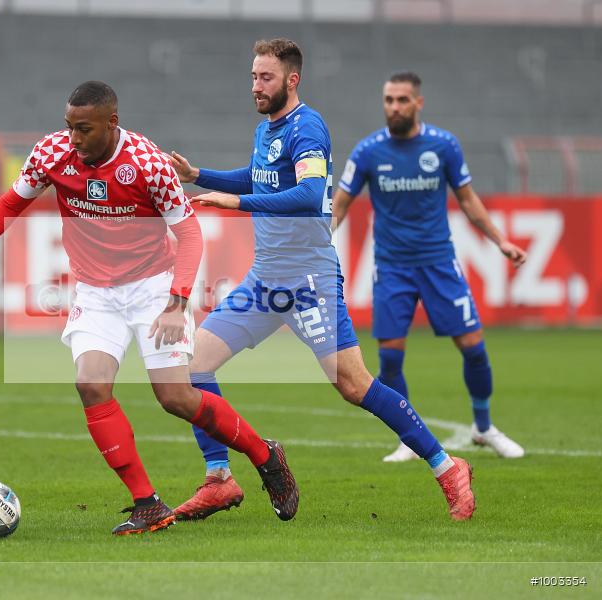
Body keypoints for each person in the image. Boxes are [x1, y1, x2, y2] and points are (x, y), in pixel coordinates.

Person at [0, 81, 298, 536]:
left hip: (154, 286)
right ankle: (147, 503)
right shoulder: (52, 152)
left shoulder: (147, 163)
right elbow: (12, 202)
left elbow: (188, 233)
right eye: (69, 127)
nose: (73, 138)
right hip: (94, 290)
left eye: (83, 129)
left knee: (175, 398)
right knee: (90, 384)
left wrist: (178, 300)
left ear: (112, 123)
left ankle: (266, 457)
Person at [169, 39, 475, 521]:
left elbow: (311, 194)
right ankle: (219, 479)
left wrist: (237, 204)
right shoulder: (266, 128)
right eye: (253, 76)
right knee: (194, 367)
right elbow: (260, 176)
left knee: (354, 385)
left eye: (265, 77)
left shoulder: (308, 126)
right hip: (265, 281)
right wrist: (199, 174)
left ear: (292, 80)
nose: (255, 85)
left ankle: (447, 466)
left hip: (309, 281)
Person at [331, 72, 527, 462]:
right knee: (389, 356)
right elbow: (340, 203)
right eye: (388, 100)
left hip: (439, 263)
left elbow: (468, 200)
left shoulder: (443, 146)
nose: (394, 107)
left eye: (402, 100)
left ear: (418, 103)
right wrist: (316, 242)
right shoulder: (368, 151)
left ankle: (484, 427)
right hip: (391, 268)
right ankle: (407, 437)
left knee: (473, 347)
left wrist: (499, 240)